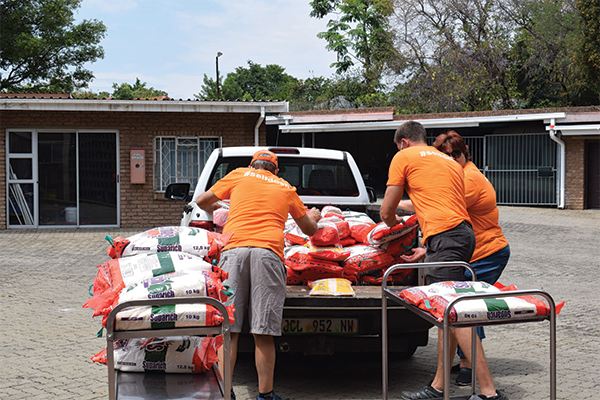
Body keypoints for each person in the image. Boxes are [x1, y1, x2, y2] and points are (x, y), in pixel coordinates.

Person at [380, 121, 507, 400]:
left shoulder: (404, 156)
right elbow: (443, 202)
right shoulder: (449, 163)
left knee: (456, 313)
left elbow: (387, 210)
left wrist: (393, 225)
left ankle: (489, 392)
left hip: (447, 237)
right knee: (446, 312)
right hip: (463, 234)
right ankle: (438, 387)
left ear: (403, 142)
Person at [195, 149, 321, 400]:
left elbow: (201, 201)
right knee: (263, 332)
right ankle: (265, 395)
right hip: (267, 253)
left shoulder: (239, 174)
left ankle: (225, 393)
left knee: (229, 329)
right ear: (276, 170)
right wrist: (314, 217)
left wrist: (220, 205)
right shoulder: (285, 187)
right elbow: (309, 230)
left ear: (252, 165)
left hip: (234, 251)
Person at [433, 130, 511, 386]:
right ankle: (465, 359)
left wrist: (400, 205)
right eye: (446, 155)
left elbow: (443, 209)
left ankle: (469, 365)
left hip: (487, 252)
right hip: (474, 252)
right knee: (464, 305)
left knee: (465, 306)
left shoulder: (469, 179)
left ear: (465, 153)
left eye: (456, 153)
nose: (452, 158)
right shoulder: (458, 176)